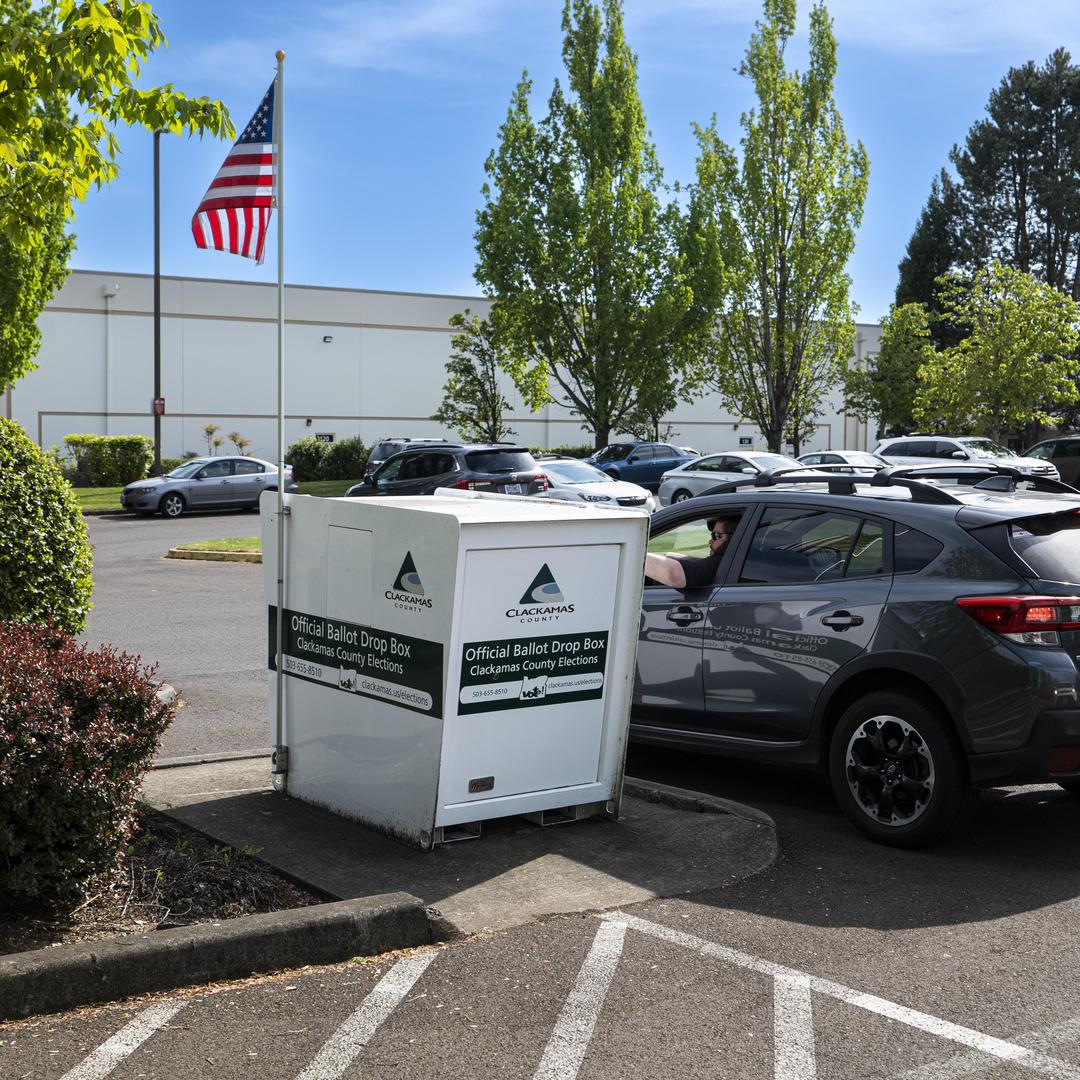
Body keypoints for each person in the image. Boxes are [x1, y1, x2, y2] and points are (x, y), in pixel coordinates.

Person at [644, 514, 740, 589]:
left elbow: (672, 574)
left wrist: (636, 554)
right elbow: (702, 565)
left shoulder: (720, 563)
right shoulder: (734, 561)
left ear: (732, 538)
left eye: (716, 536)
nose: (710, 541)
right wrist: (675, 557)